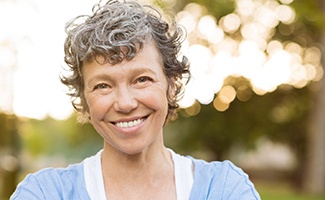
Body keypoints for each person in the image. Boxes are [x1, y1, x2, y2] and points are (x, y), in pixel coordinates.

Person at [10, 0, 261, 199]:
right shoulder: (46, 193)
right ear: (85, 100)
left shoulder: (224, 189)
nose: (125, 103)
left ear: (171, 85)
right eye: (103, 85)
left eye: (141, 79)